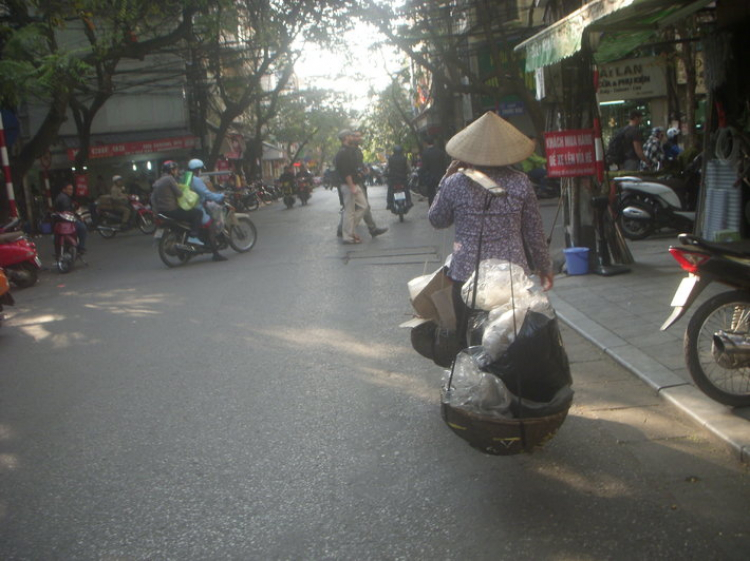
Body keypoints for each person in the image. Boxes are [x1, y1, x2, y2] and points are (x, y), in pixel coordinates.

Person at [427, 111, 554, 345]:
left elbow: (437, 220)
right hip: (511, 277)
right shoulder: (520, 182)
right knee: (511, 342)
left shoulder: (455, 182)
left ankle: (471, 378)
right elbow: (534, 231)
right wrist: (544, 267)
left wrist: (446, 178)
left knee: (467, 342)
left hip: (467, 276)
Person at [151, 160, 204, 247]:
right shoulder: (169, 179)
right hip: (172, 210)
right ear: (171, 170)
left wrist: (155, 212)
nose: (177, 172)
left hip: (162, 212)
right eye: (175, 170)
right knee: (198, 213)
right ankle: (194, 236)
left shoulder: (158, 182)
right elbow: (179, 194)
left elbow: (153, 199)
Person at [187, 159, 227, 262]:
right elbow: (206, 193)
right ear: (197, 169)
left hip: (188, 206)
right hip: (197, 207)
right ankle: (215, 254)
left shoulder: (186, 178)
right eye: (200, 169)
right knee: (211, 226)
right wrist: (219, 197)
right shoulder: (196, 180)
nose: (200, 171)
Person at [351, 131, 387, 238]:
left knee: (358, 207)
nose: (359, 138)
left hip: (358, 181)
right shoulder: (350, 151)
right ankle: (350, 229)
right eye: (356, 136)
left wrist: (364, 169)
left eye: (359, 136)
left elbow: (359, 165)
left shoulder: (357, 151)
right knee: (362, 206)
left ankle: (372, 228)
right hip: (354, 182)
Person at [334, 130, 367, 244]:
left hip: (353, 183)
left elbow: (352, 169)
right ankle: (348, 236)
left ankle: (350, 230)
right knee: (349, 211)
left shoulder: (349, 151)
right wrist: (351, 185)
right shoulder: (343, 152)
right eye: (350, 135)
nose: (352, 137)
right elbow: (346, 171)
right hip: (349, 185)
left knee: (363, 206)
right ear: (345, 138)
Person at [54, 182, 88, 254]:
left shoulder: (60, 197)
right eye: (69, 189)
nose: (71, 191)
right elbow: (69, 211)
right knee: (82, 228)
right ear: (64, 190)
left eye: (72, 189)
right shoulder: (64, 198)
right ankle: (81, 247)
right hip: (67, 221)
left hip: (60, 221)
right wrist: (78, 217)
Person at [420, 137, 448, 206]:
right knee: (442, 192)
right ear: (434, 143)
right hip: (440, 176)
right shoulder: (440, 152)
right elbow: (444, 165)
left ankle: (432, 208)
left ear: (426, 144)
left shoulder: (424, 153)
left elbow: (424, 167)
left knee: (431, 194)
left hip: (430, 178)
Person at [385, 145, 412, 210]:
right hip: (403, 178)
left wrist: (385, 173)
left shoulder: (390, 159)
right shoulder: (404, 158)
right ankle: (409, 202)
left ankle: (389, 203)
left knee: (390, 190)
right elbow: (409, 168)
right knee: (406, 189)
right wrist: (409, 173)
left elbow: (386, 168)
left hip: (393, 179)